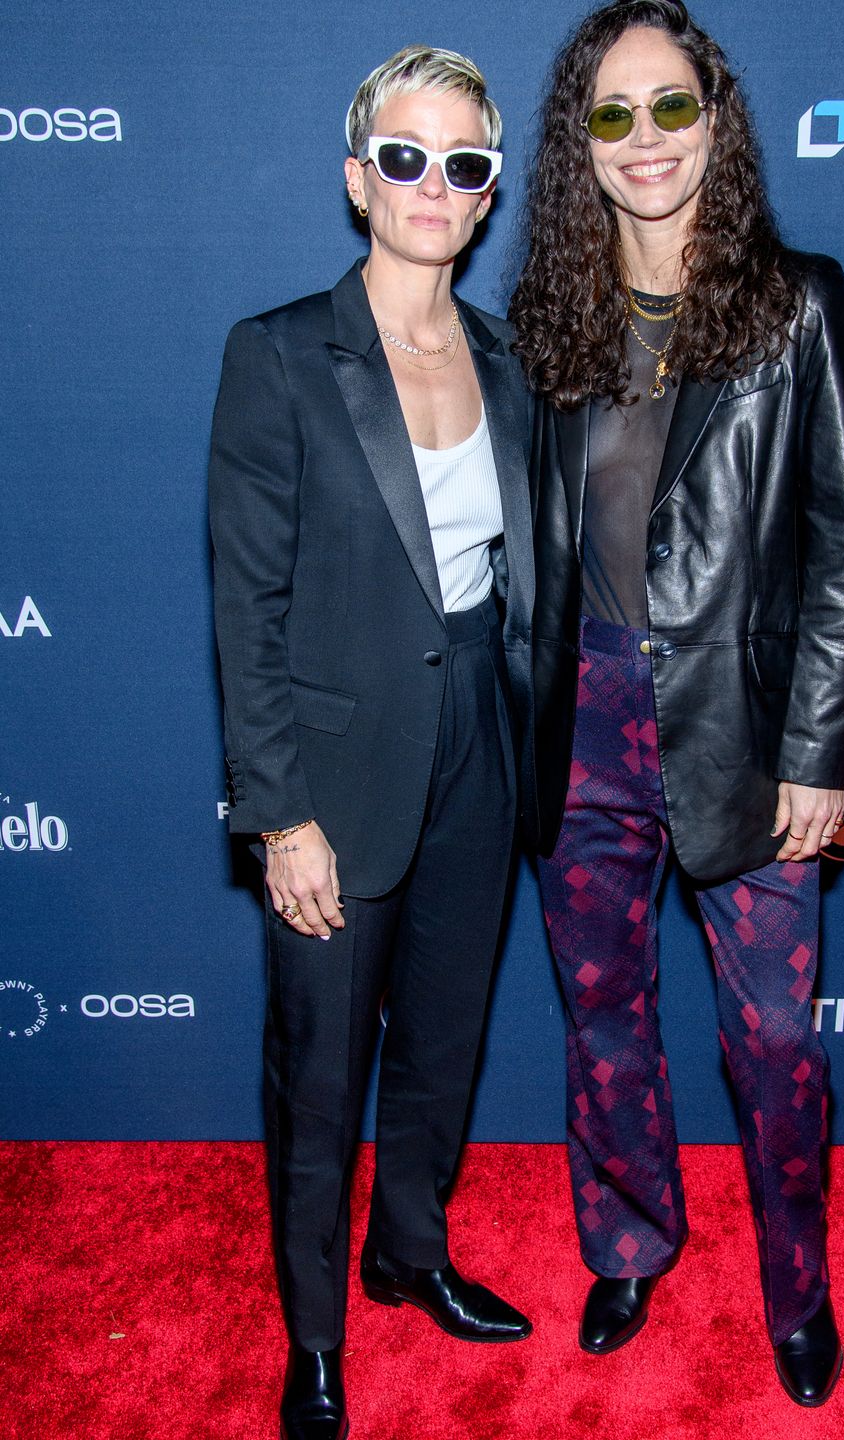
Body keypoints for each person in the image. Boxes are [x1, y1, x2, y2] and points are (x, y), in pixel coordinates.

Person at [510, 0, 844, 1407]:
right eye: (614, 114)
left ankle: (799, 1290)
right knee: (603, 1009)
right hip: (583, 718)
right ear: (581, 146)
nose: (646, 137)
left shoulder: (800, 304)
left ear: (714, 123)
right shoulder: (551, 320)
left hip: (744, 717)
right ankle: (629, 1241)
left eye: (672, 106)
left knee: (775, 1040)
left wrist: (824, 752)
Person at [209, 45, 535, 1440]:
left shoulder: (511, 359)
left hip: (483, 731)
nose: (430, 185)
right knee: (322, 1064)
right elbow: (247, 603)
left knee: (445, 1038)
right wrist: (280, 816)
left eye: (460, 165)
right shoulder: (280, 353)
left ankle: (408, 1253)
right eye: (403, 156)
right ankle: (317, 1338)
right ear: (359, 179)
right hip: (337, 761)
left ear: (486, 194)